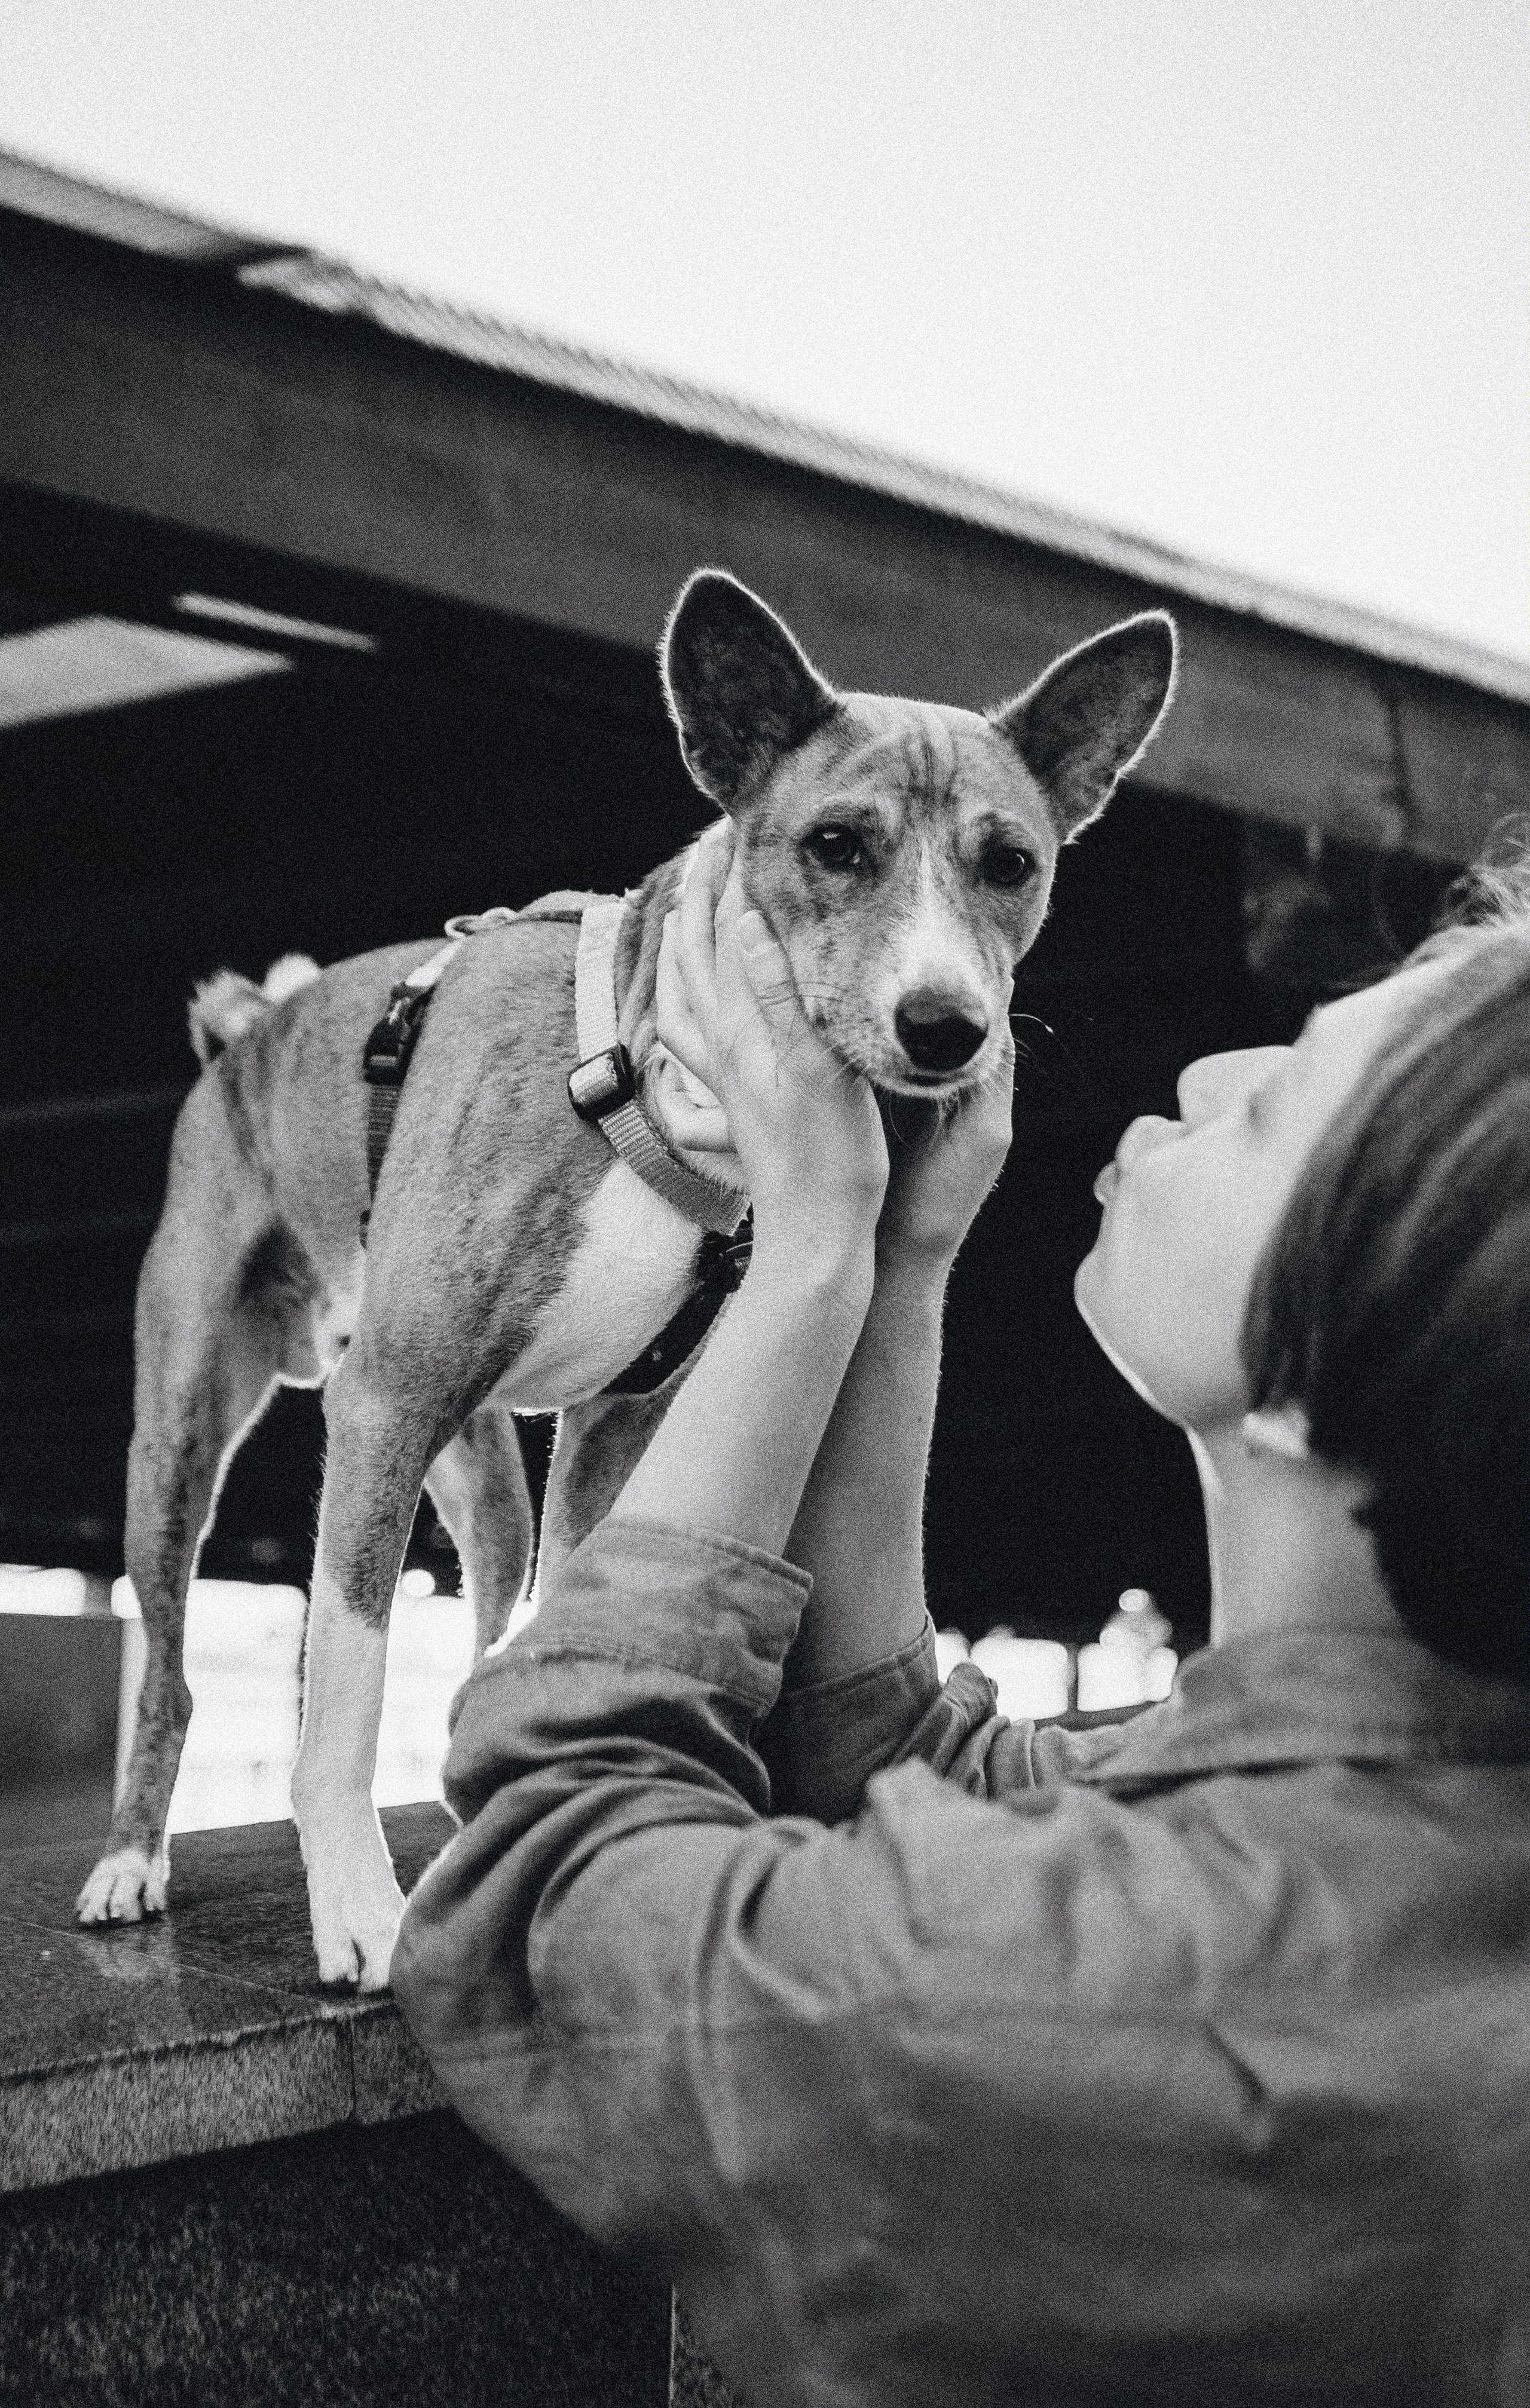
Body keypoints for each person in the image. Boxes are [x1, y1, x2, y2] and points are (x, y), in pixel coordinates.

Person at [393, 823, 1530, 2408]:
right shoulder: (1429, 1824)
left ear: (1365, 1342)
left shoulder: (1133, 2011)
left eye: (1271, 1104)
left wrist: (794, 1265)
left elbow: (548, 1865)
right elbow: (915, 1775)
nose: (1201, 1075)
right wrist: (891, 1258)